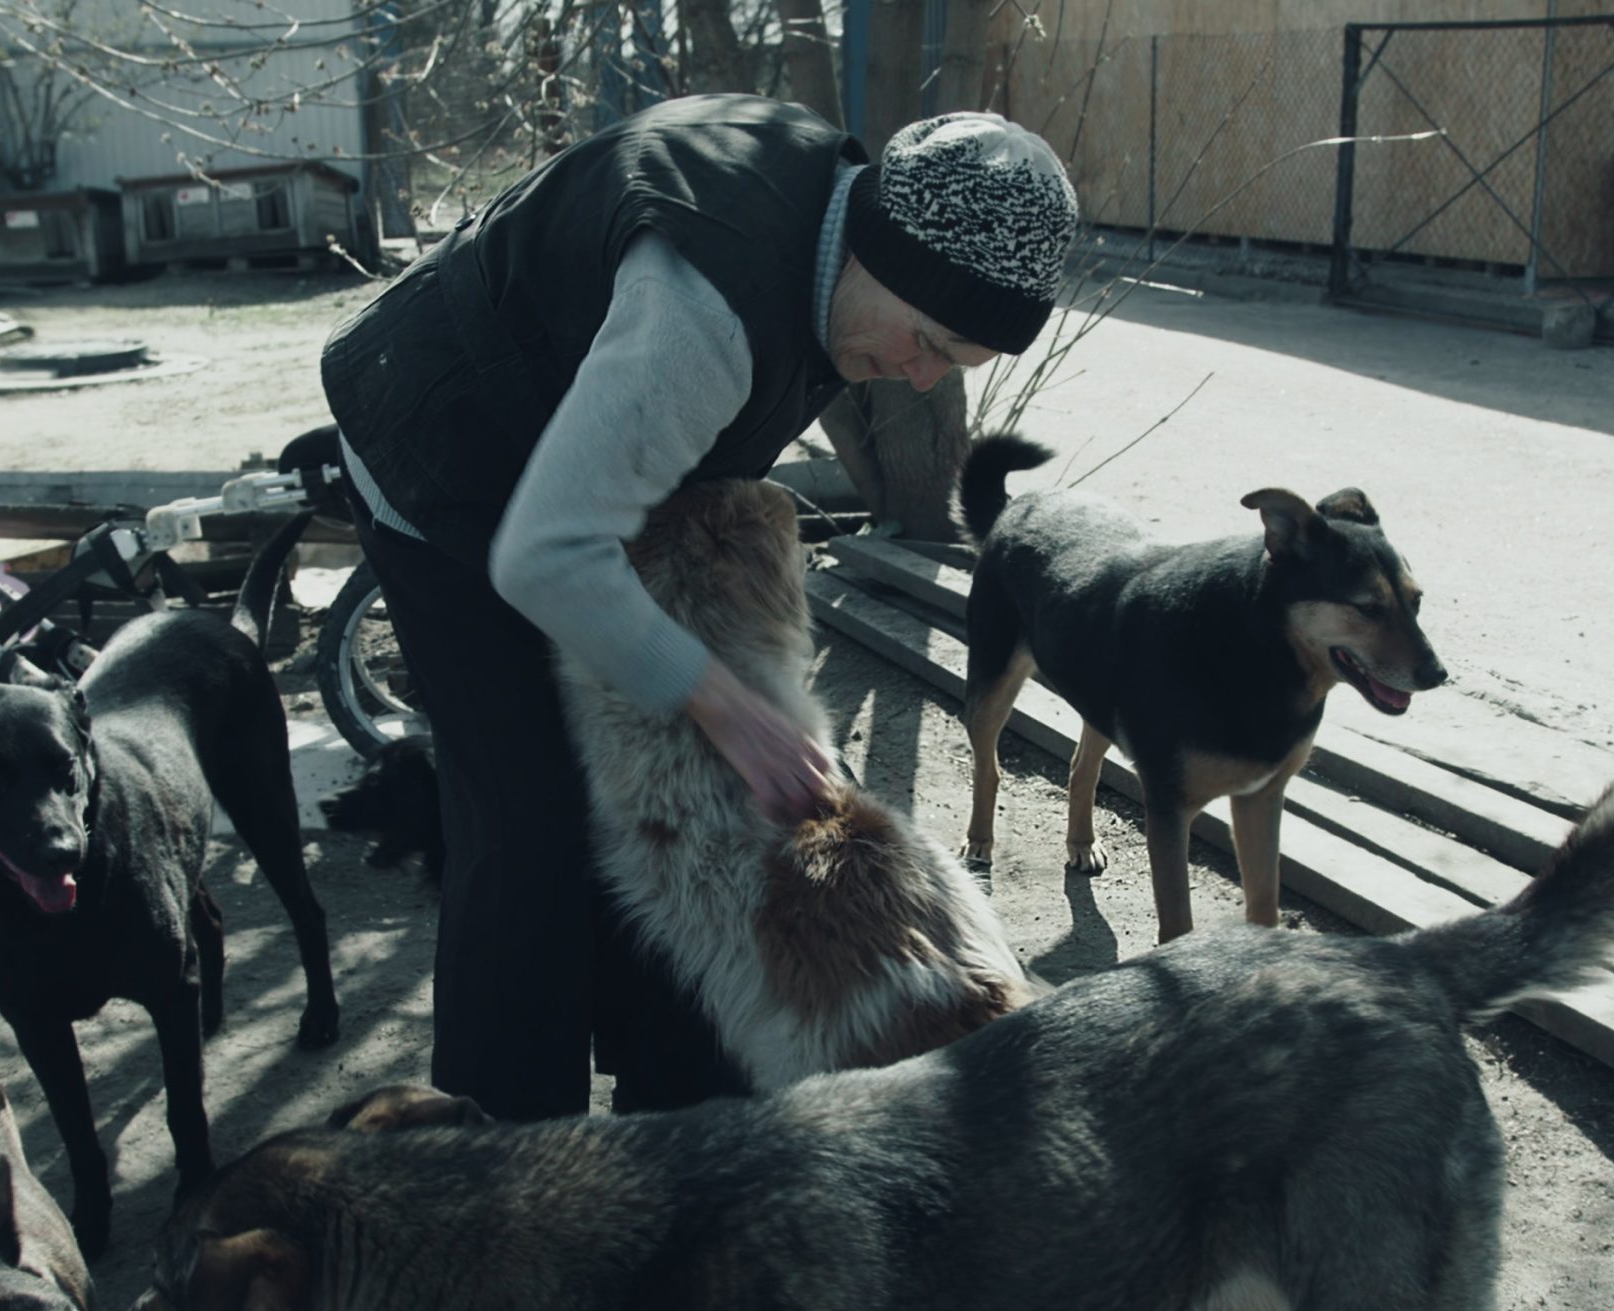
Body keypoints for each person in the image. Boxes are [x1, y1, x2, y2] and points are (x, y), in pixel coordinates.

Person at [320, 93, 1079, 1122]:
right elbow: (545, 557)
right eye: (927, 340)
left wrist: (718, 711)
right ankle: (506, 1165)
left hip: (576, 463)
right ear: (879, 250)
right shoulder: (703, 318)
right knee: (529, 823)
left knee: (688, 805)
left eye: (951, 364)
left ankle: (684, 1130)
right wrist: (721, 700)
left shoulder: (843, 252)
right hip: (447, 458)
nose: (916, 374)